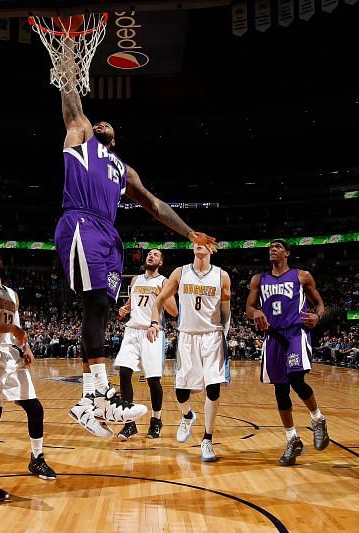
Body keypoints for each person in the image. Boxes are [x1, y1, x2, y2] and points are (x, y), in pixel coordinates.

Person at [55, 45, 217, 438]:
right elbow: (71, 100)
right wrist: (66, 56)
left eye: (109, 124)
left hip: (110, 235)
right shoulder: (80, 139)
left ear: (116, 137)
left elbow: (156, 205)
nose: (103, 123)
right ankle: (96, 394)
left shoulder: (123, 169)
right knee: (92, 303)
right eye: (100, 121)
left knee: (101, 309)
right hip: (81, 222)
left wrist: (189, 232)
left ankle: (88, 404)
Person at [0, 250, 56, 501]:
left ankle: (36, 459)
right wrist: (10, 329)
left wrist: (25, 347)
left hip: (10, 352)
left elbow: (17, 329)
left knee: (35, 408)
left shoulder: (12, 294)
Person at [245, 239, 330, 467]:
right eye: (270, 246)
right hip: (272, 337)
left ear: (287, 253)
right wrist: (254, 314)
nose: (273, 248)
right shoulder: (258, 280)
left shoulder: (302, 276)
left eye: (278, 246)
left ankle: (318, 419)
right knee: (281, 390)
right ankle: (292, 439)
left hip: (295, 333)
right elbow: (249, 308)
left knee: (296, 379)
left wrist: (318, 317)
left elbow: (320, 304)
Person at [147, 243, 231, 462]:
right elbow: (159, 301)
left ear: (213, 249)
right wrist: (154, 322)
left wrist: (225, 335)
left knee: (213, 387)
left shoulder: (222, 276)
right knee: (181, 392)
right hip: (187, 337)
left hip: (212, 335)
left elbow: (226, 312)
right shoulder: (180, 272)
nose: (199, 243)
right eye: (196, 240)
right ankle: (187, 415)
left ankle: (207, 440)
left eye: (205, 241)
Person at [114, 249, 178, 440]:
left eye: (156, 255)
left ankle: (156, 420)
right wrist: (125, 309)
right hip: (132, 331)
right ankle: (129, 423)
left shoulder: (165, 282)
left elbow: (173, 311)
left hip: (153, 332)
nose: (151, 256)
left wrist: (162, 297)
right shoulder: (135, 280)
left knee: (153, 380)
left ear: (160, 262)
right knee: (124, 372)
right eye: (149, 254)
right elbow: (131, 304)